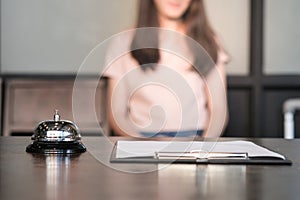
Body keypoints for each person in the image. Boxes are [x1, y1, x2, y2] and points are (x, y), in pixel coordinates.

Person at [103, 0, 229, 138]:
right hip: (141, 140)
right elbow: (117, 114)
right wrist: (143, 146)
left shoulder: (208, 41)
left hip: (195, 138)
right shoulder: (123, 41)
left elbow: (219, 110)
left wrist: (203, 147)